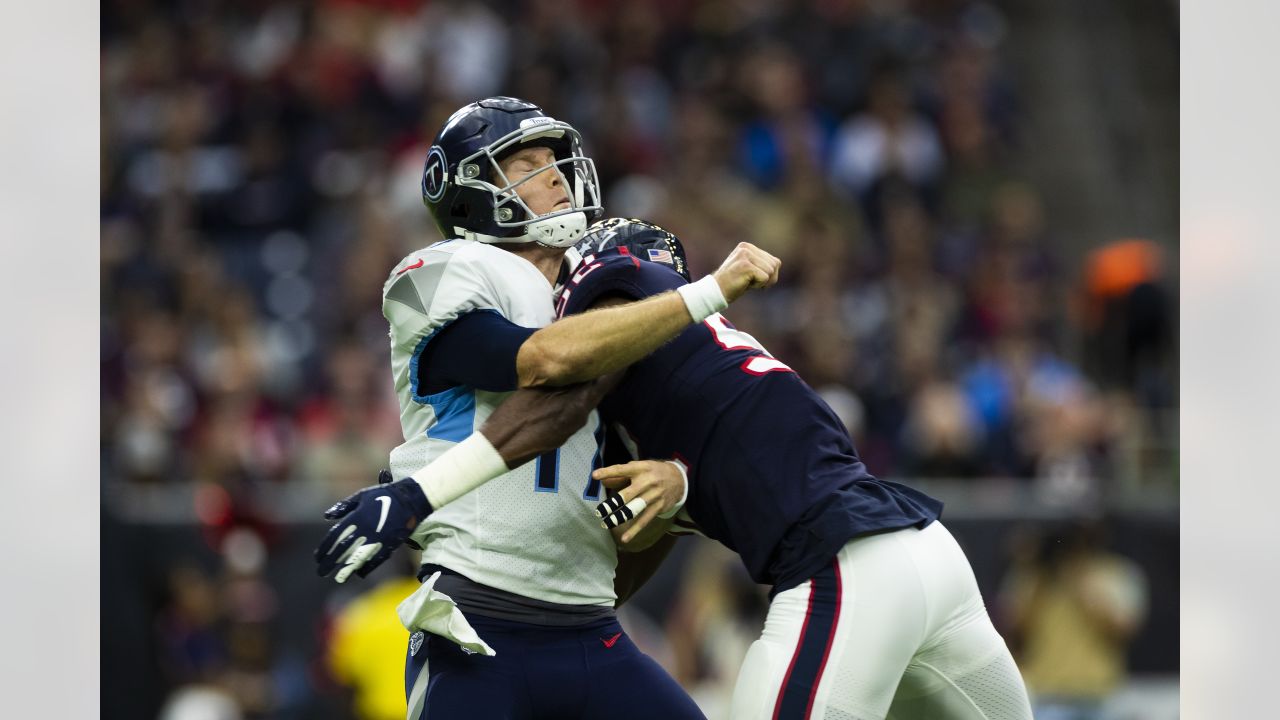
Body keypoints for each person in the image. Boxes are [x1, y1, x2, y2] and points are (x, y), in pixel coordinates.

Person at [369, 218, 1035, 720]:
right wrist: (680, 487)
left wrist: (422, 492)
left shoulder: (620, 300)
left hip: (847, 570)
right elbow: (746, 455)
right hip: (932, 558)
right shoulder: (704, 368)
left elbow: (557, 386)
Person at [313, 98, 782, 720]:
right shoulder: (448, 268)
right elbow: (539, 362)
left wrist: (675, 486)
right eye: (527, 164)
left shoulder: (591, 295)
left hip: (591, 624)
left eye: (556, 161)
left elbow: (642, 501)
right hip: (479, 620)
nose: (556, 175)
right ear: (469, 193)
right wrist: (703, 295)